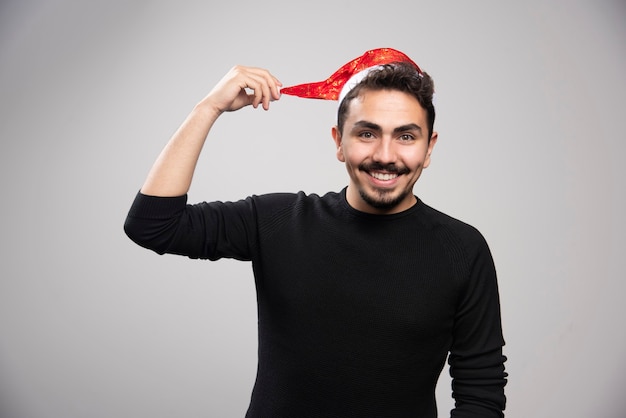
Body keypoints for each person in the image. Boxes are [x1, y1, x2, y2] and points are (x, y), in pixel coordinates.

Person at [124, 48, 507, 417]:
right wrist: (207, 109)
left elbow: (480, 390)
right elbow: (153, 224)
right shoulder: (277, 221)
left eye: (406, 136)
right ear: (339, 142)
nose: (387, 155)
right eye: (367, 134)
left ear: (428, 148)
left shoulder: (462, 249)